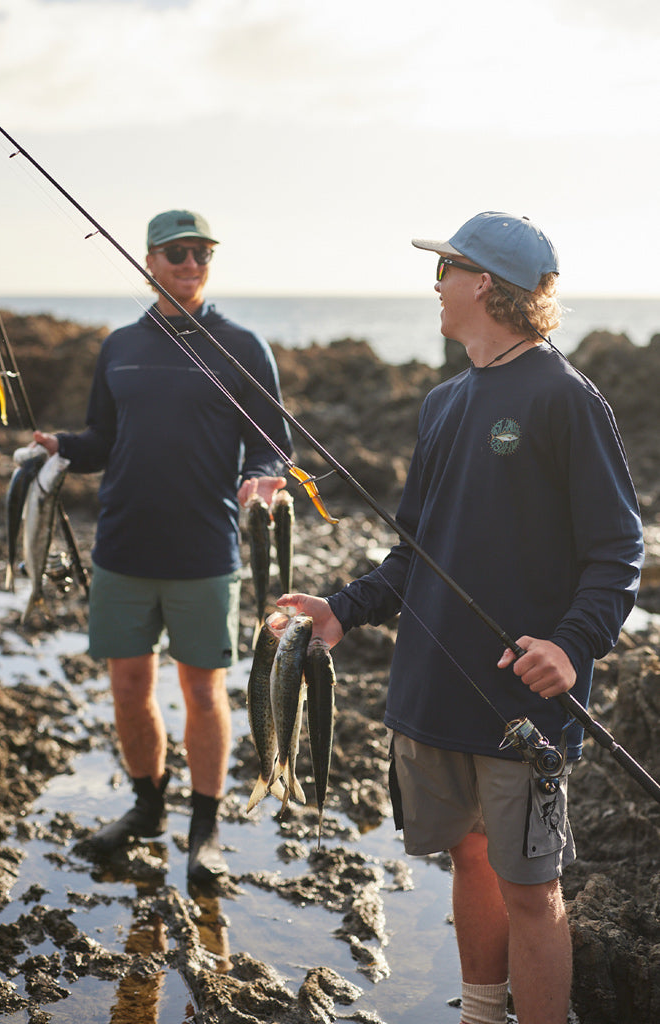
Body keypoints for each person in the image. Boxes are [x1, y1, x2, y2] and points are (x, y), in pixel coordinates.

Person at [278, 212, 644, 1024]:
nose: (435, 286)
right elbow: (415, 553)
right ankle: (481, 1013)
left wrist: (570, 644)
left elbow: (618, 551)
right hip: (431, 690)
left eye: (443, 270)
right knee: (466, 859)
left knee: (531, 887)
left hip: (523, 705)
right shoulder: (442, 402)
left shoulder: (565, 398)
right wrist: (343, 610)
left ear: (482, 283)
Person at [33, 209, 292, 886]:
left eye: (203, 252)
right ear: (150, 260)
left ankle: (203, 833)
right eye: (178, 252)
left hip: (204, 551)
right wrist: (63, 448)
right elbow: (100, 441)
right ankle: (148, 808)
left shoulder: (241, 346)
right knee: (127, 686)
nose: (191, 263)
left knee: (204, 692)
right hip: (122, 546)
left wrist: (261, 474)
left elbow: (271, 442)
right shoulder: (119, 346)